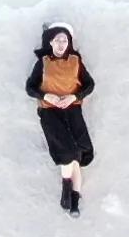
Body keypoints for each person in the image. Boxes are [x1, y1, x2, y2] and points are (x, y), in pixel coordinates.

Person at [25, 23, 97, 212]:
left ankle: (73, 199)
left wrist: (75, 96)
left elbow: (89, 85)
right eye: (57, 40)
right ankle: (68, 190)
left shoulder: (75, 61)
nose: (61, 43)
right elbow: (30, 87)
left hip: (72, 109)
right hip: (50, 112)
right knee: (67, 153)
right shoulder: (43, 63)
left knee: (79, 154)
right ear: (50, 42)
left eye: (64, 40)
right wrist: (46, 96)